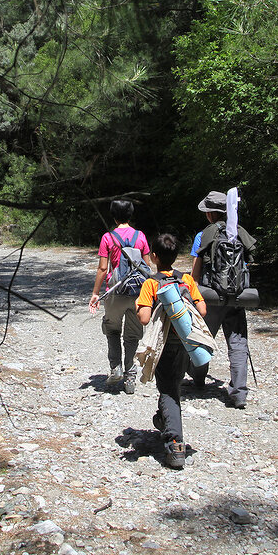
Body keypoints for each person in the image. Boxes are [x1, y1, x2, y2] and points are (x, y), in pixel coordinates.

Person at [135, 232, 207, 469]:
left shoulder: (151, 283)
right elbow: (203, 311)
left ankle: (175, 443)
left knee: (168, 391)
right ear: (176, 256)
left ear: (153, 257)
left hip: (163, 345)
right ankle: (163, 418)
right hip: (186, 343)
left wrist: (139, 306)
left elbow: (145, 318)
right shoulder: (186, 280)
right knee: (171, 384)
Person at [189, 190, 257, 408]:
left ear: (210, 214)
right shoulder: (239, 232)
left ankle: (198, 378)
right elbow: (247, 265)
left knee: (202, 339)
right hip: (237, 296)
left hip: (211, 296)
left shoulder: (204, 235)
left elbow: (196, 271)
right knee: (238, 343)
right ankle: (239, 393)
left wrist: (193, 293)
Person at [88, 200, 153, 394]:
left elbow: (102, 268)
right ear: (130, 215)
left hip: (115, 291)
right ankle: (130, 379)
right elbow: (147, 268)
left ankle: (115, 367)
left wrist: (95, 294)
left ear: (113, 216)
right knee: (132, 335)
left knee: (113, 330)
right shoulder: (140, 236)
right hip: (137, 294)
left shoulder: (108, 237)